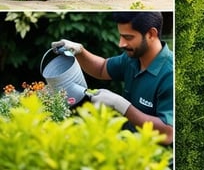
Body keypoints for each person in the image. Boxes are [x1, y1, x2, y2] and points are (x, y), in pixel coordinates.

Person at [52, 12, 173, 146]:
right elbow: (102, 68)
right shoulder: (133, 59)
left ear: (151, 34)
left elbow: (168, 134)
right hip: (129, 148)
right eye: (121, 36)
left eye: (128, 37)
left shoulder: (170, 75)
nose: (121, 44)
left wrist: (121, 105)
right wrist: (80, 51)